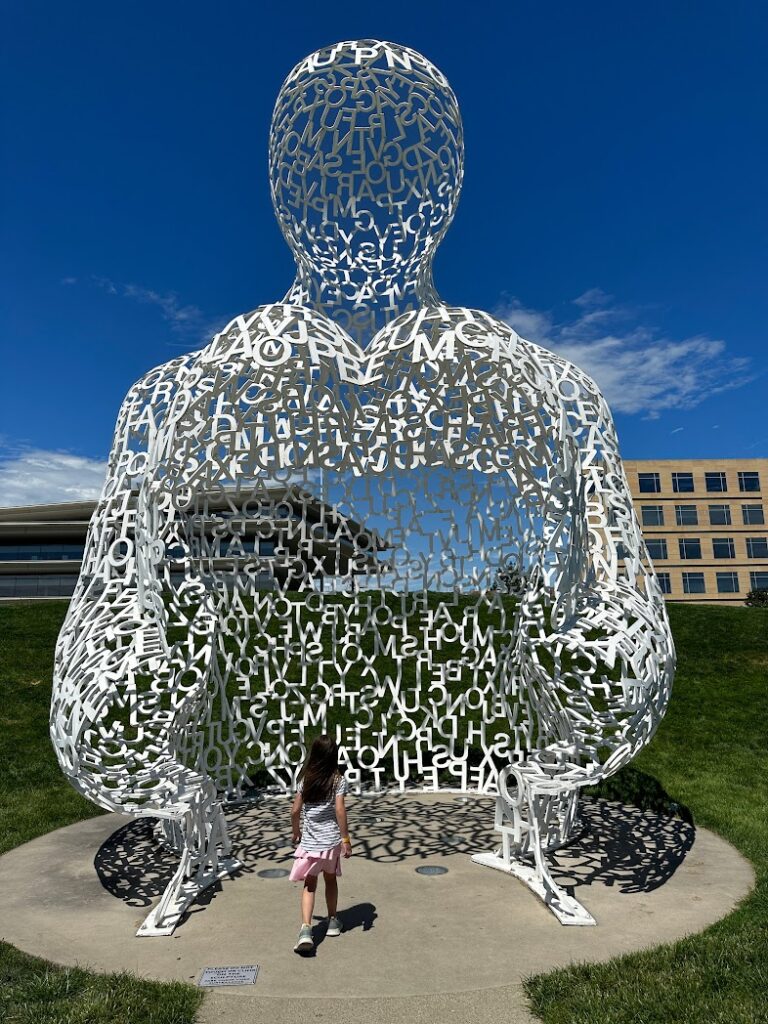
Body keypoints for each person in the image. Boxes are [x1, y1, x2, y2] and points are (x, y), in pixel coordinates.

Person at [290, 735, 352, 953]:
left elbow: (295, 810)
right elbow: (340, 810)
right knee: (331, 880)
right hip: (331, 843)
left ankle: (306, 929)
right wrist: (346, 839)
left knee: (310, 884)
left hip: (311, 844)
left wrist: (295, 830)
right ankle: (333, 921)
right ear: (333, 755)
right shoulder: (338, 780)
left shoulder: (305, 779)